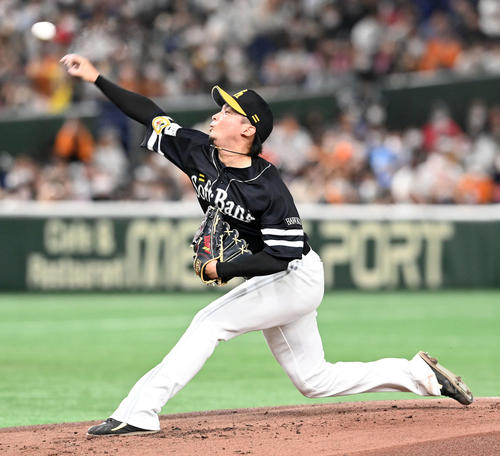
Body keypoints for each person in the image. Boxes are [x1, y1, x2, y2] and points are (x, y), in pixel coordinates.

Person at [60, 54, 474, 437]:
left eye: (227, 111)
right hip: (280, 279)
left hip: (294, 276)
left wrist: (223, 269)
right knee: (314, 380)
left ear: (248, 129)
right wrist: (96, 78)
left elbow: (281, 255)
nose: (216, 115)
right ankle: (417, 375)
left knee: (209, 323)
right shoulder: (197, 151)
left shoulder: (268, 185)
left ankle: (139, 412)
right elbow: (149, 113)